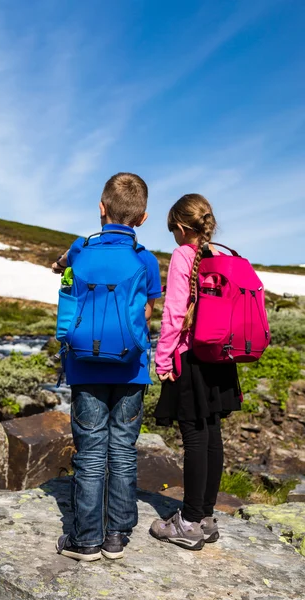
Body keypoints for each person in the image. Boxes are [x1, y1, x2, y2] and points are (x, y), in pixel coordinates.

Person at [52, 173, 162, 562]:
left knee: (91, 451)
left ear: (101, 209)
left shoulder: (81, 250)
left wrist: (60, 263)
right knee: (123, 450)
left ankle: (85, 540)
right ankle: (116, 536)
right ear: (143, 218)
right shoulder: (145, 259)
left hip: (84, 368)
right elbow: (146, 313)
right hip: (131, 370)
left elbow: (63, 268)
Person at [150, 193, 241, 551]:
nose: (172, 234)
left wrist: (162, 358)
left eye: (173, 228)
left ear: (182, 226)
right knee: (212, 434)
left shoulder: (183, 255)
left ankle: (186, 522)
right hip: (221, 358)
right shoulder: (222, 256)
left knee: (194, 438)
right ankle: (204, 516)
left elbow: (173, 314)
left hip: (191, 357)